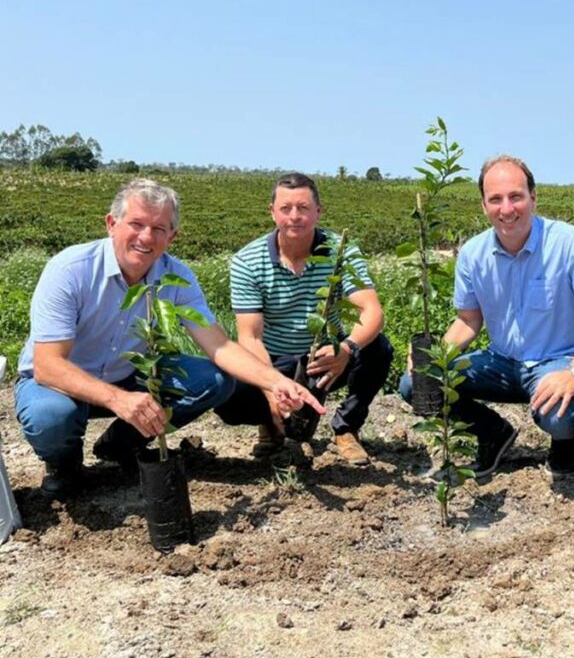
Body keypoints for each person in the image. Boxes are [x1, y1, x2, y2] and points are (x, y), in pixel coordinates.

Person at [15, 179, 323, 500]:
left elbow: (218, 345)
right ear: (111, 224)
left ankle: (122, 444)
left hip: (127, 375)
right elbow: (48, 366)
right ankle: (64, 465)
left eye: (159, 228)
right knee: (51, 416)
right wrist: (118, 400)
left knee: (214, 380)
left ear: (171, 236)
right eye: (136, 224)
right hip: (57, 384)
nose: (146, 237)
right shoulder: (71, 270)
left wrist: (276, 382)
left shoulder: (175, 275)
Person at [401, 155, 574, 478]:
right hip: (500, 363)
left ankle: (564, 441)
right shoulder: (474, 254)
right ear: (484, 206)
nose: (507, 209)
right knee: (417, 384)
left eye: (516, 196)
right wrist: (435, 357)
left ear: (533, 197)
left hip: (557, 363)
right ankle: (493, 432)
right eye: (496, 199)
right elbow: (468, 320)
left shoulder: (566, 242)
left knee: (559, 418)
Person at [214, 173, 393, 464]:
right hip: (275, 360)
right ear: (272, 211)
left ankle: (347, 426)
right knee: (230, 391)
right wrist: (271, 387)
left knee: (377, 348)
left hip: (325, 357)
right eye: (286, 208)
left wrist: (346, 349)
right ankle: (270, 423)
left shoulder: (340, 250)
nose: (294, 217)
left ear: (318, 212)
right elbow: (250, 337)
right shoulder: (248, 261)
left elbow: (371, 310)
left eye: (304, 208)